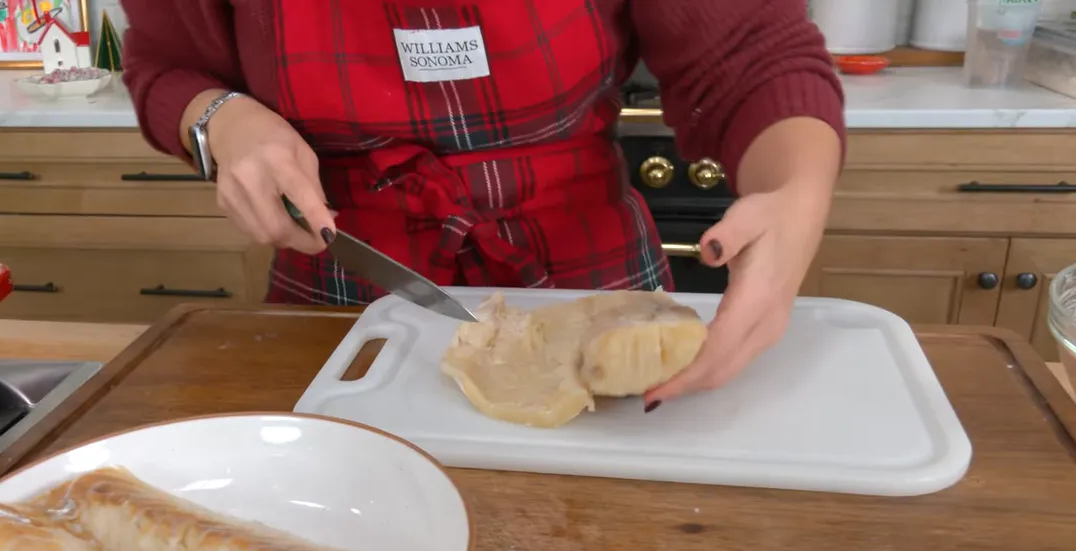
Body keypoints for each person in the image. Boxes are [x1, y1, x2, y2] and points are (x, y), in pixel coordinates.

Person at [120, 0, 844, 406]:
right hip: (339, 302)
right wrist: (219, 120)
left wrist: (797, 192)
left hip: (597, 286)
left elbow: (753, 55)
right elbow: (166, 65)